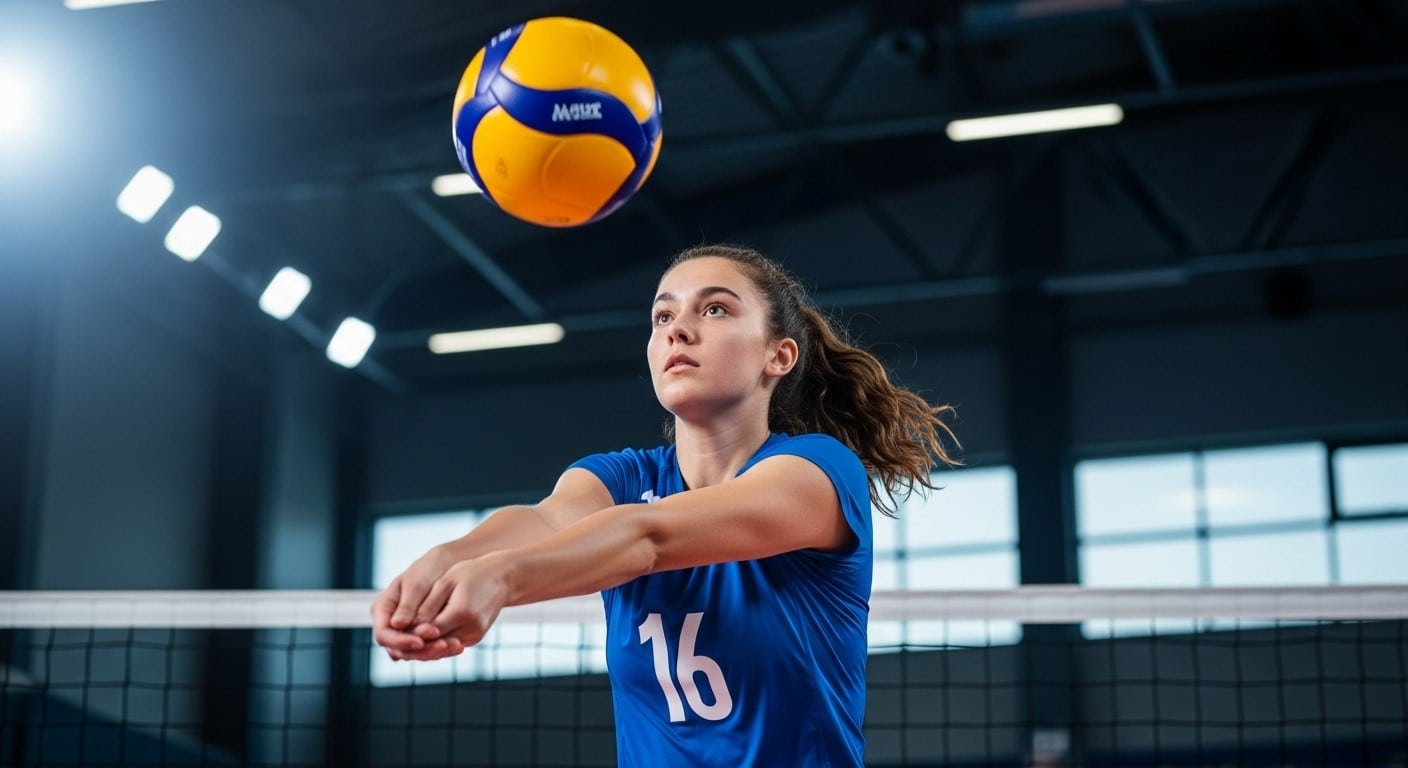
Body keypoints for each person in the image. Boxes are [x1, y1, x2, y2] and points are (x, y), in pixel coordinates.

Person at [371, 243, 961, 766]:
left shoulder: (818, 472)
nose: (678, 329)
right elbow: (544, 521)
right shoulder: (620, 476)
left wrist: (501, 578)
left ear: (777, 356)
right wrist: (445, 560)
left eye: (715, 309)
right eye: (662, 315)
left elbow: (647, 539)